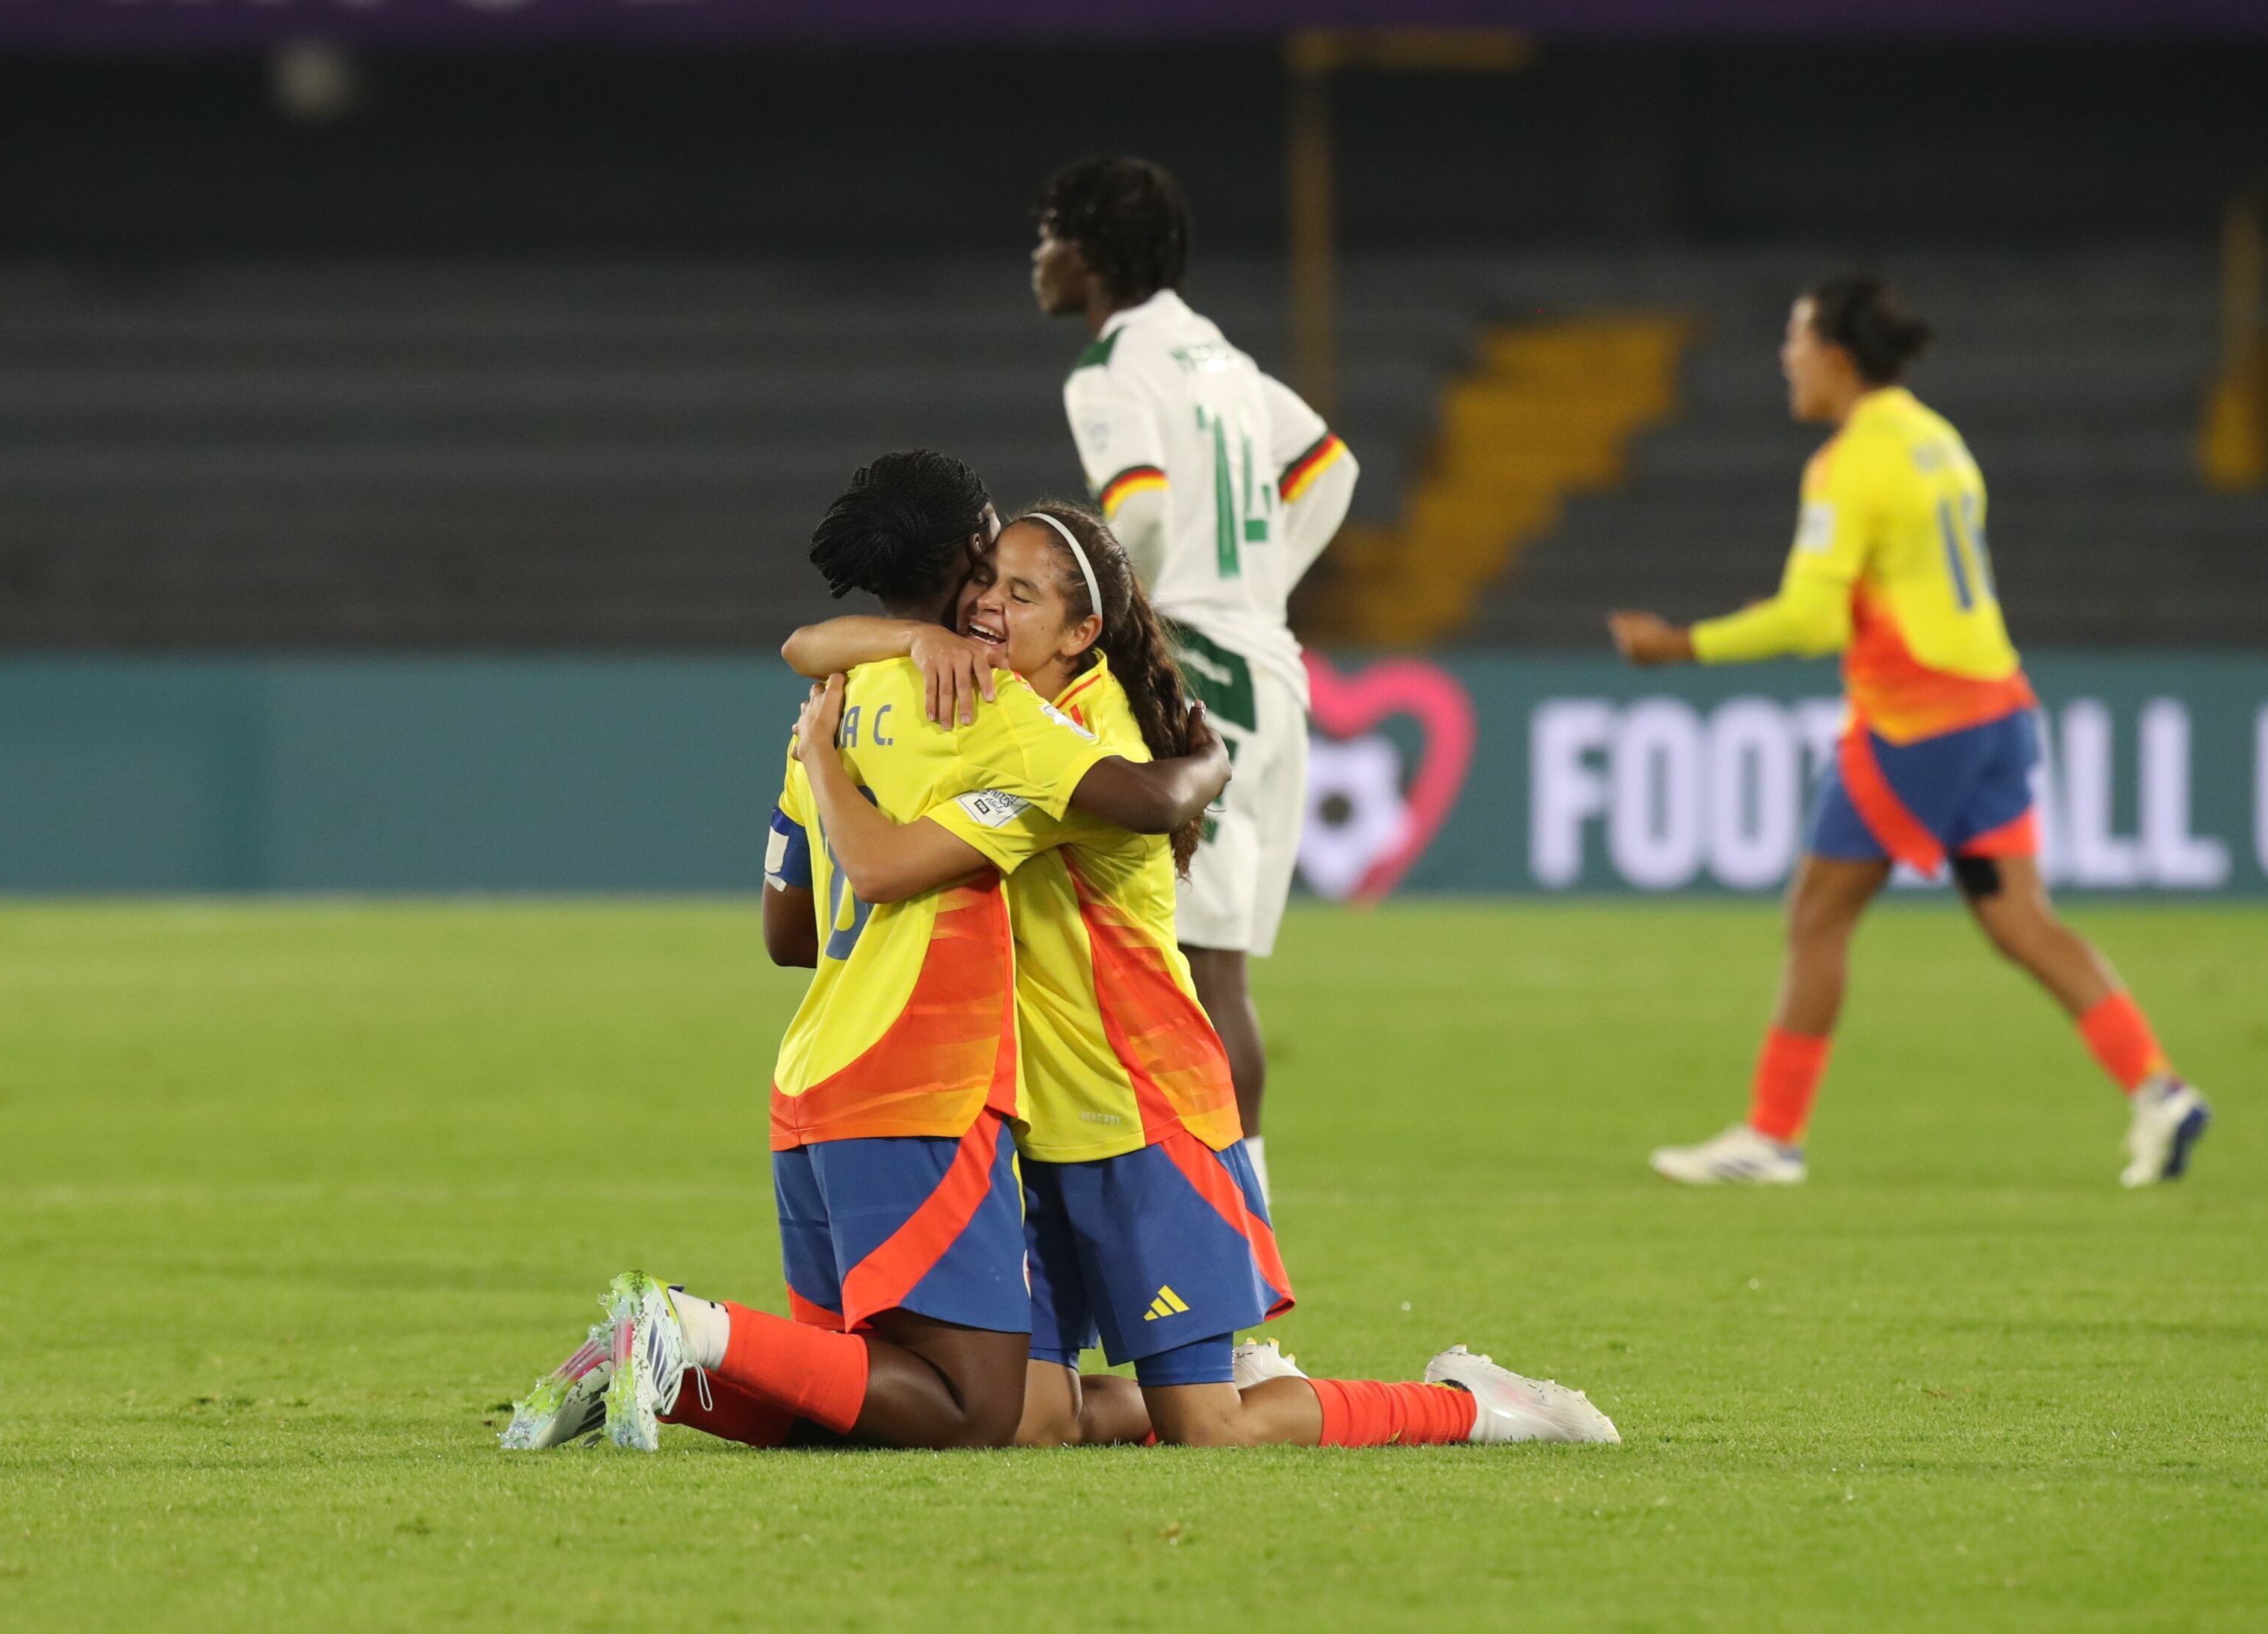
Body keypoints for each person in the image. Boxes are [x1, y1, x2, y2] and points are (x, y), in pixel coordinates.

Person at [783, 503, 1617, 1449]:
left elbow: (1117, 803)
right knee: (1028, 1419)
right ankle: (1237, 1375)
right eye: (984, 585)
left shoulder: (1082, 738)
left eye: (1019, 594)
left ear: (1082, 630)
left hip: (1141, 1110)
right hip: (1034, 1122)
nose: (985, 607)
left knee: (1211, 1429)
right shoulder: (996, 708)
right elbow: (808, 642)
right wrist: (913, 635)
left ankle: (1474, 1405)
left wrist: (1209, 763)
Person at [499, 450, 1230, 1453]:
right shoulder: (988, 706)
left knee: (863, 1407)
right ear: (973, 548)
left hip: (808, 1084)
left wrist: (830, 768)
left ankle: (657, 1373)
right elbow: (1140, 804)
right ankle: (681, 1328)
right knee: (979, 1410)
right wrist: (1211, 755)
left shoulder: (828, 702)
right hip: (918, 1079)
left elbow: (785, 933)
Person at [1609, 276, 2211, 1190]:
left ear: (1838, 358)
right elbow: (1895, 585)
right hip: (1997, 702)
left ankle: (1771, 1135)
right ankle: (2159, 1089)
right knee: (2018, 920)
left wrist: (1680, 645)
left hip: (1915, 719)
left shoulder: (1850, 461)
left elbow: (1811, 623)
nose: (1786, 358)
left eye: (1795, 340)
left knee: (1816, 914)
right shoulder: (1938, 440)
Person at [1032, 155, 1361, 1203]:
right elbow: (1328, 468)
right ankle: (1230, 1268)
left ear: (1085, 253)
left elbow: (1136, 510)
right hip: (1268, 663)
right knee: (1219, 977)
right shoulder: (1219, 358)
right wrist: (1256, 583)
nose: (1036, 255)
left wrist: (1097, 629)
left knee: (1180, 976)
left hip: (1200, 682)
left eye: (1047, 232)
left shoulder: (1109, 370)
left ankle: (1223, 1280)